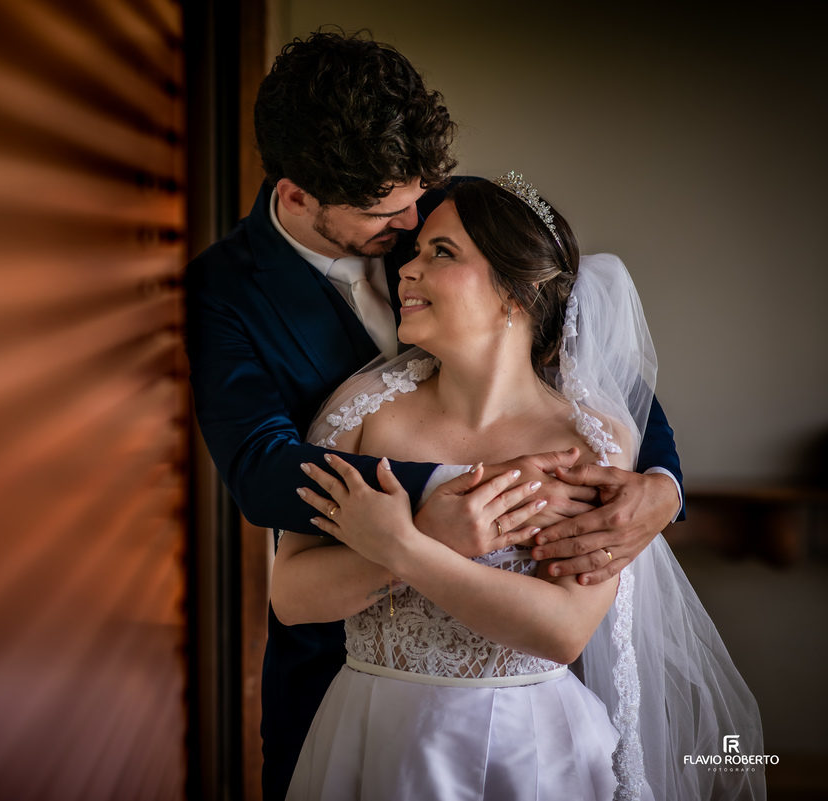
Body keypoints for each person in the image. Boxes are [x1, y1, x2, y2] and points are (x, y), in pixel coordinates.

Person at [184, 29, 685, 800]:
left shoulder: (450, 216)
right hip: (343, 670)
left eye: (422, 198)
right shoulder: (226, 289)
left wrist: (662, 484)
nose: (414, 229)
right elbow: (260, 468)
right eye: (389, 213)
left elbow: (599, 358)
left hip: (526, 696)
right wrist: (452, 498)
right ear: (297, 196)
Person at [275, 175, 763, 799]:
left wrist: (405, 547)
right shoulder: (360, 414)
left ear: (516, 292)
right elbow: (290, 595)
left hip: (529, 746)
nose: (407, 270)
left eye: (441, 253)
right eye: (416, 251)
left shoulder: (590, 442)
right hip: (372, 732)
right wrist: (417, 543)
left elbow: (561, 632)